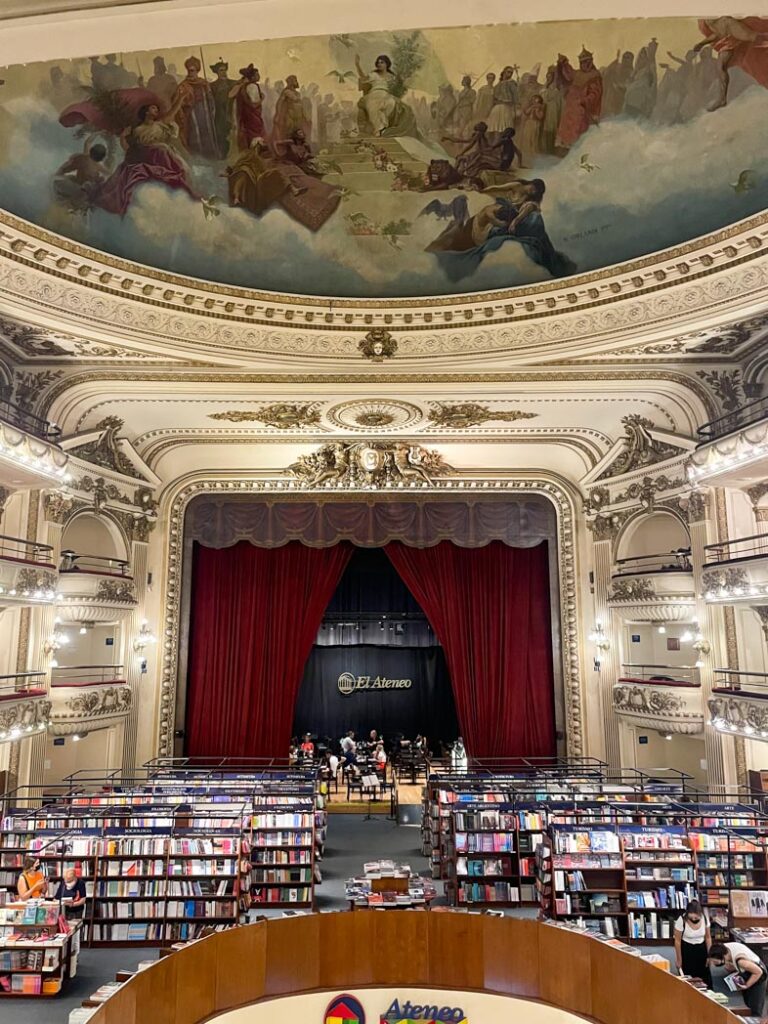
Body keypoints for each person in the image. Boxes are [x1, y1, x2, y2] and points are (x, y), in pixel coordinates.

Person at [94, 100, 203, 216]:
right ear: (146, 112)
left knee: (164, 151)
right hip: (147, 158)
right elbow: (131, 150)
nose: (156, 110)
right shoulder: (137, 130)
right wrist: (122, 137)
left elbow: (173, 112)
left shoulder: (160, 124)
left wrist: (182, 97)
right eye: (153, 108)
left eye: (157, 109)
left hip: (163, 158)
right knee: (159, 151)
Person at [555, 48, 602, 149]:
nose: (584, 64)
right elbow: (569, 74)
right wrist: (564, 63)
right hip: (571, 107)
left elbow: (595, 93)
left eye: (586, 62)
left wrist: (584, 101)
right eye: (582, 62)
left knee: (579, 131)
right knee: (567, 130)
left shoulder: (594, 75)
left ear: (590, 62)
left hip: (582, 108)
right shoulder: (578, 73)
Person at [174, 56, 218, 159]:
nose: (191, 73)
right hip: (191, 114)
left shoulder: (203, 83)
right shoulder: (183, 85)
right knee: (195, 135)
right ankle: (198, 158)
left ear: (197, 71)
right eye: (189, 71)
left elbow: (210, 98)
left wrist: (211, 104)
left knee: (207, 133)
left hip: (205, 112)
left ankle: (211, 156)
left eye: (193, 70)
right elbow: (178, 102)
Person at [709, 942, 768, 1015]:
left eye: (716, 962)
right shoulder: (724, 948)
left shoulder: (741, 961)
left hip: (758, 974)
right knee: (747, 1003)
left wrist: (747, 985)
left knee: (755, 1006)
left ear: (723, 956)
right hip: (748, 971)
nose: (715, 964)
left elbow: (759, 972)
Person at [230, 64, 265, 153]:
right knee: (255, 136)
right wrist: (262, 99)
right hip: (253, 117)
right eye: (257, 75)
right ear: (252, 77)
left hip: (247, 116)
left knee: (250, 136)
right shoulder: (252, 86)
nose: (259, 76)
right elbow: (254, 105)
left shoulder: (244, 86)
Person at [674, 900, 711, 984]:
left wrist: (710, 955)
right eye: (691, 918)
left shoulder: (705, 918)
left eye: (696, 918)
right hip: (687, 949)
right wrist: (679, 959)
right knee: (688, 977)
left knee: (704, 977)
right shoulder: (681, 920)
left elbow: (708, 938)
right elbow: (677, 941)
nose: (694, 920)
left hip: (701, 948)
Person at [209, 58, 236, 158]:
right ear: (217, 72)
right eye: (221, 70)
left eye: (224, 70)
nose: (223, 72)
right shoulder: (212, 86)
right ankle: (222, 155)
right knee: (221, 135)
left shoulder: (233, 83)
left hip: (231, 112)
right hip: (219, 114)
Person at [486, 66, 518, 138]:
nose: (510, 74)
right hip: (497, 109)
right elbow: (493, 98)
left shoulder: (512, 83)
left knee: (504, 129)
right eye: (508, 72)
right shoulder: (498, 85)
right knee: (495, 129)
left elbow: (515, 98)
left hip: (506, 108)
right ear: (504, 72)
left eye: (511, 73)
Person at [273, 75, 306, 142]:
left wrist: (304, 115)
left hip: (298, 116)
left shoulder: (297, 93)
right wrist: (278, 114)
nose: (296, 82)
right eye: (294, 80)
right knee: (289, 132)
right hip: (290, 116)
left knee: (298, 132)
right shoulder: (286, 92)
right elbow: (279, 103)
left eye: (296, 80)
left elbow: (301, 105)